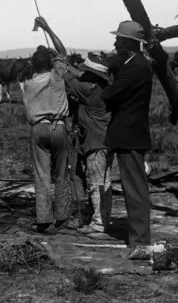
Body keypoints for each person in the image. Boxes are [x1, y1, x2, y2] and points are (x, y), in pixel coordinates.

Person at [101, 20, 153, 260]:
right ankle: (139, 239)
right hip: (131, 134)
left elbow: (110, 95)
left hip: (129, 135)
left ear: (128, 42)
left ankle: (141, 243)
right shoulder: (136, 64)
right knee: (135, 189)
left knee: (135, 191)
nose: (115, 42)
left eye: (119, 39)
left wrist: (106, 87)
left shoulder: (135, 67)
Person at [22, 17, 73, 235]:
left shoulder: (28, 84)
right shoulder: (57, 75)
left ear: (33, 65)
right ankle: (63, 218)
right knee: (61, 173)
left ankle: (45, 221)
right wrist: (48, 28)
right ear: (51, 64)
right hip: (60, 128)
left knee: (42, 175)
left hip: (39, 129)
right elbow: (62, 51)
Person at [65, 52, 113, 235]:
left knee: (95, 183)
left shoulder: (87, 90)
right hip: (106, 140)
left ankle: (98, 223)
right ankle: (104, 219)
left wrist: (63, 64)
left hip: (94, 142)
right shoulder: (104, 88)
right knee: (105, 183)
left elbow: (68, 78)